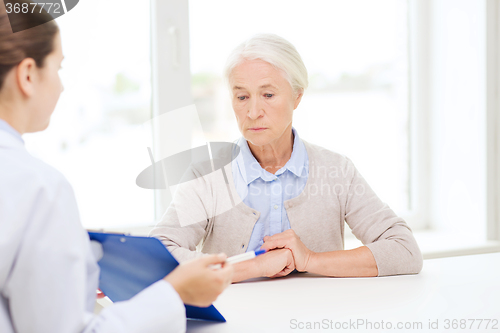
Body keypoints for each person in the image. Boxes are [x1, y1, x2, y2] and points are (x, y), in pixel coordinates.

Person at [0, 2, 233, 332]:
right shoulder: (41, 189)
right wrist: (175, 292)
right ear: (27, 75)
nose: (62, 85)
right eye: (58, 68)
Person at [150, 33, 423, 282]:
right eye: (242, 96)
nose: (253, 111)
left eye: (268, 94)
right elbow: (156, 255)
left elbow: (404, 250)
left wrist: (310, 260)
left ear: (297, 97)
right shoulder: (206, 175)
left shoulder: (336, 170)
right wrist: (253, 267)